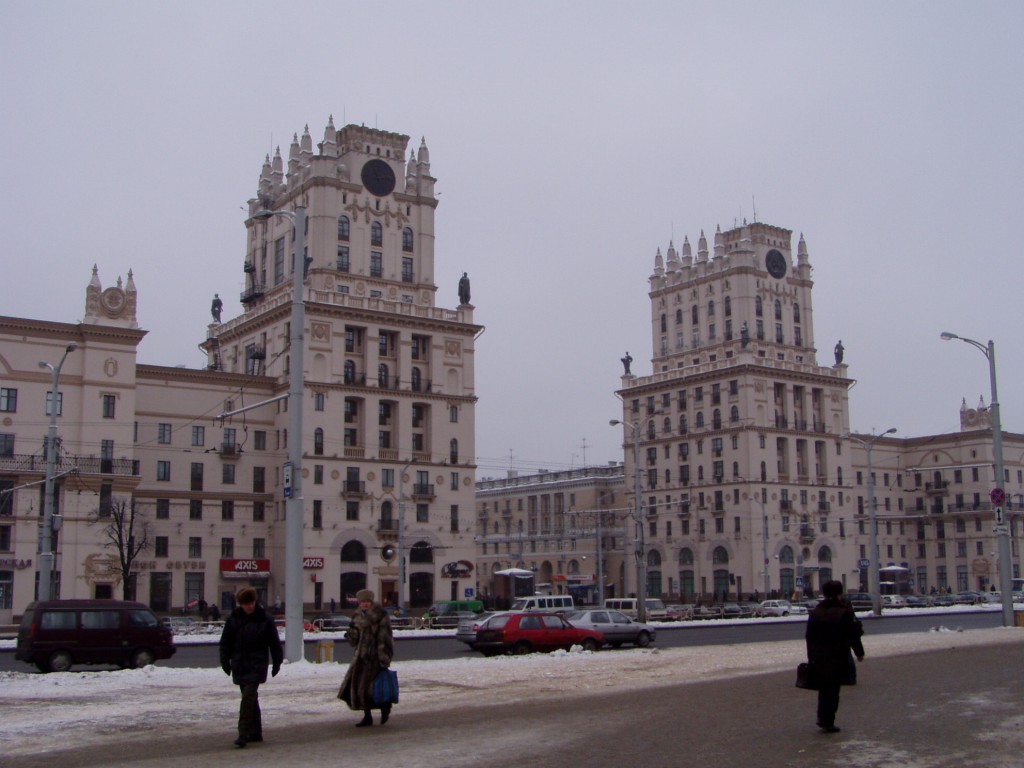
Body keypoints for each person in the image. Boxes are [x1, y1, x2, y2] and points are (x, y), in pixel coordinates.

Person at [219, 587, 283, 748]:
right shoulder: (233, 619)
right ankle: (256, 732)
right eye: (246, 603)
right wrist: (225, 662)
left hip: (257, 663)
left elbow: (274, 643)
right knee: (251, 699)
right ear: (240, 604)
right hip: (240, 664)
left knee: (247, 697)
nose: (249, 606)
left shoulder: (264, 619)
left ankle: (243, 733)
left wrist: (277, 662)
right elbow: (225, 643)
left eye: (251, 602)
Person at [805, 580, 865, 733]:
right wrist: (859, 652)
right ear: (839, 593)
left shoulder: (816, 612)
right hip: (837, 655)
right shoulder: (844, 612)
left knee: (824, 688)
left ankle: (822, 717)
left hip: (819, 655)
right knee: (833, 689)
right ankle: (827, 720)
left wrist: (811, 656)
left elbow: (809, 637)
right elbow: (853, 635)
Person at [337, 588, 395, 727]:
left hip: (375, 658)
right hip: (361, 658)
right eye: (362, 602)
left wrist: (384, 658)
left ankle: (384, 708)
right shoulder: (356, 616)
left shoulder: (380, 615)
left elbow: (385, 638)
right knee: (360, 689)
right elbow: (354, 642)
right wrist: (351, 634)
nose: (365, 604)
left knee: (375, 688)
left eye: (367, 601)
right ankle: (367, 715)